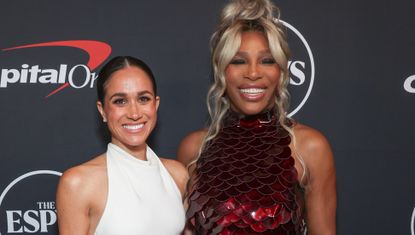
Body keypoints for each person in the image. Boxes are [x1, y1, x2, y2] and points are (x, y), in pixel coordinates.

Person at [177, 0, 336, 234]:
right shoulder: (194, 149)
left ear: (280, 70)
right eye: (239, 61)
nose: (253, 73)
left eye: (267, 60)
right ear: (221, 71)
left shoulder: (310, 147)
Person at [56, 56, 188, 235]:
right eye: (120, 101)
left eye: (143, 99)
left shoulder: (178, 175)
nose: (134, 113)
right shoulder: (78, 183)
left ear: (156, 105)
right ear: (102, 110)